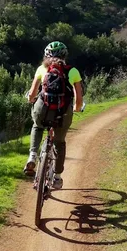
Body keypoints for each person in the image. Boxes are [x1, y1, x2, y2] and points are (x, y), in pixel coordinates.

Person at [24, 41, 84, 189]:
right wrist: (76, 108)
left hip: (42, 110)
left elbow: (32, 94)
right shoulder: (73, 71)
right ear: (65, 55)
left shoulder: (41, 69)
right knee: (60, 142)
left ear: (46, 55)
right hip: (63, 112)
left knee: (37, 126)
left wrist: (30, 99)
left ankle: (32, 156)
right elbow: (79, 98)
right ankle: (57, 178)